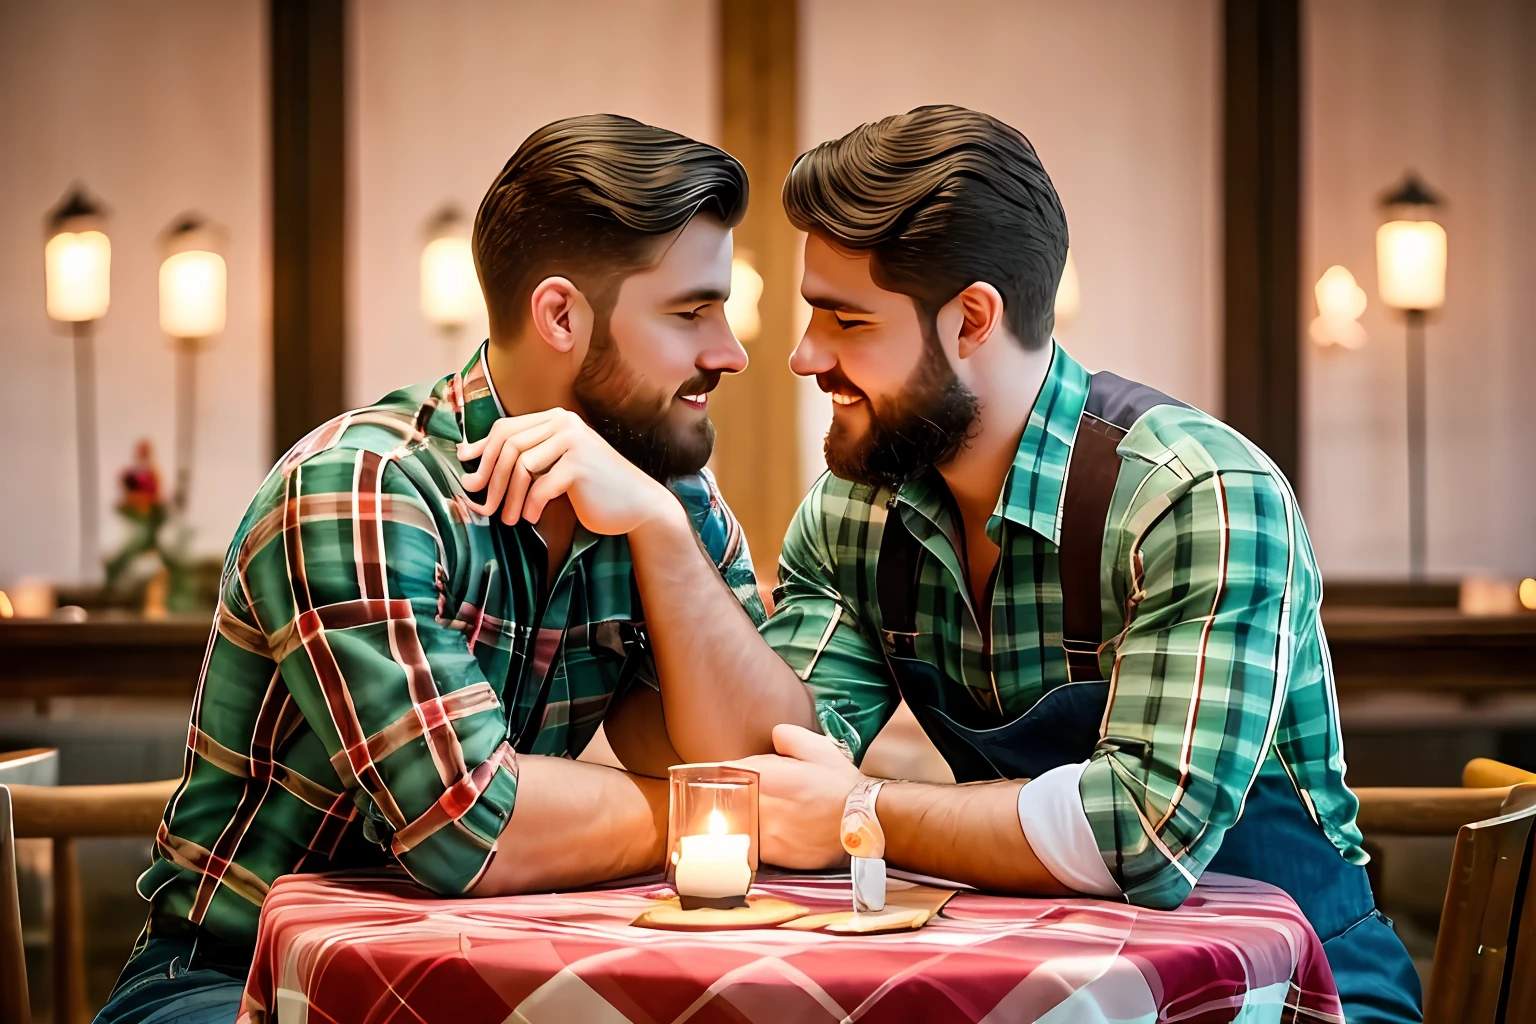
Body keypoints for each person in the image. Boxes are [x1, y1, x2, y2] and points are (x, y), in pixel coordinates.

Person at [466, 104, 1420, 1024]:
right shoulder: (857, 507)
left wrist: (864, 809)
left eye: (846, 322)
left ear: (971, 320)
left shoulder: (1194, 495)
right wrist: (664, 533)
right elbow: (763, 769)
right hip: (1039, 984)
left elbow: (1145, 837)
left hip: (1290, 990)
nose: (801, 358)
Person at [95, 114, 764, 1024]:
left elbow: (756, 755)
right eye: (692, 311)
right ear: (561, 314)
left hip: (503, 977)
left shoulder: (664, 498)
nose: (731, 350)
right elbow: (470, 830)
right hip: (240, 984)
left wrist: (656, 526)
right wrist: (721, 813)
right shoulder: (362, 486)